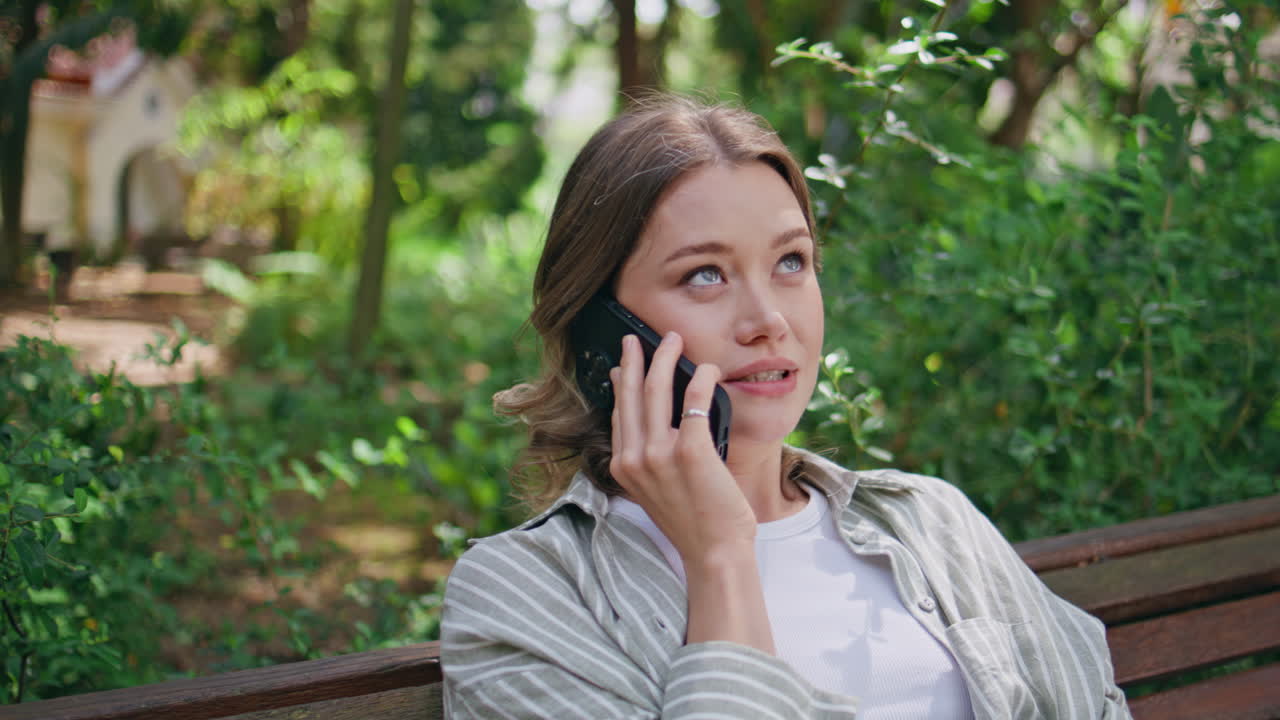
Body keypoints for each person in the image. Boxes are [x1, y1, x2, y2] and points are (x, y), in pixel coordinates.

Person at [440, 94, 1130, 719]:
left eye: (791, 262)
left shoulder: (928, 522)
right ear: (601, 330)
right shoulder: (523, 593)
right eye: (704, 275)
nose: (768, 318)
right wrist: (721, 559)